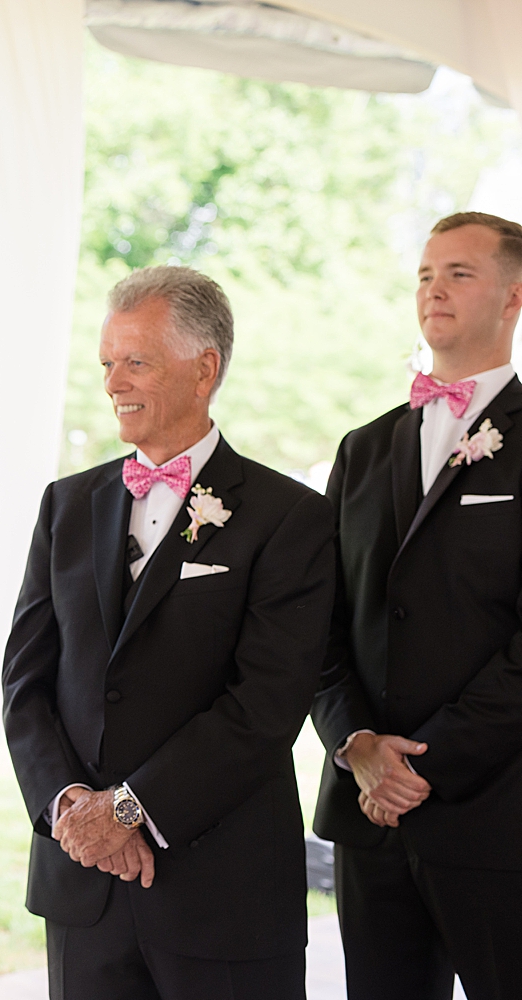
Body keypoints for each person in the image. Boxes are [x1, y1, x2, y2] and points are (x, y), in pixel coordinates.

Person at [1, 266, 336, 999]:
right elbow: (25, 683)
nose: (113, 381)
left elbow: (268, 705)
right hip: (83, 887)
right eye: (106, 363)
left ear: (203, 368)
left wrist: (128, 810)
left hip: (224, 894)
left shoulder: (292, 519)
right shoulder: (66, 506)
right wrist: (72, 813)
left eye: (136, 361)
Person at [312, 212, 522, 1000]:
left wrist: (425, 765)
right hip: (372, 817)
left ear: (513, 296)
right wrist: (358, 744)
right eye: (426, 275)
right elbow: (319, 623)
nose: (435, 290)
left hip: (497, 813)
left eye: (460, 274)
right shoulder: (362, 448)